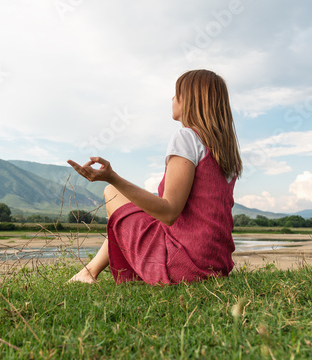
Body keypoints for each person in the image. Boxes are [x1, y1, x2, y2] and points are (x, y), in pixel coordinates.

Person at [67, 69, 242, 285]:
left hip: (183, 266)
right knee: (132, 209)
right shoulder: (226, 152)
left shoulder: (186, 137)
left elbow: (168, 213)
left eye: (177, 93)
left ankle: (92, 273)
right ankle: (88, 272)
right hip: (217, 266)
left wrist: (112, 178)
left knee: (112, 192)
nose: (172, 99)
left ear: (190, 99)